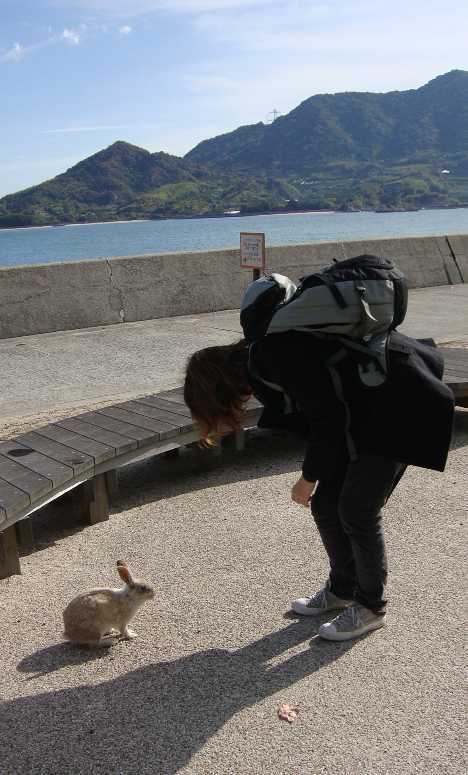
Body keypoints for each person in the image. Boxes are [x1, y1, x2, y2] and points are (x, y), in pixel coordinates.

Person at [183, 328, 454, 642]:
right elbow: (326, 413)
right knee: (327, 505)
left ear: (217, 388)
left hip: (400, 405)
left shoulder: (271, 358)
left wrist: (307, 478)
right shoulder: (259, 358)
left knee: (357, 510)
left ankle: (370, 607)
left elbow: (328, 420)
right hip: (366, 413)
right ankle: (343, 588)